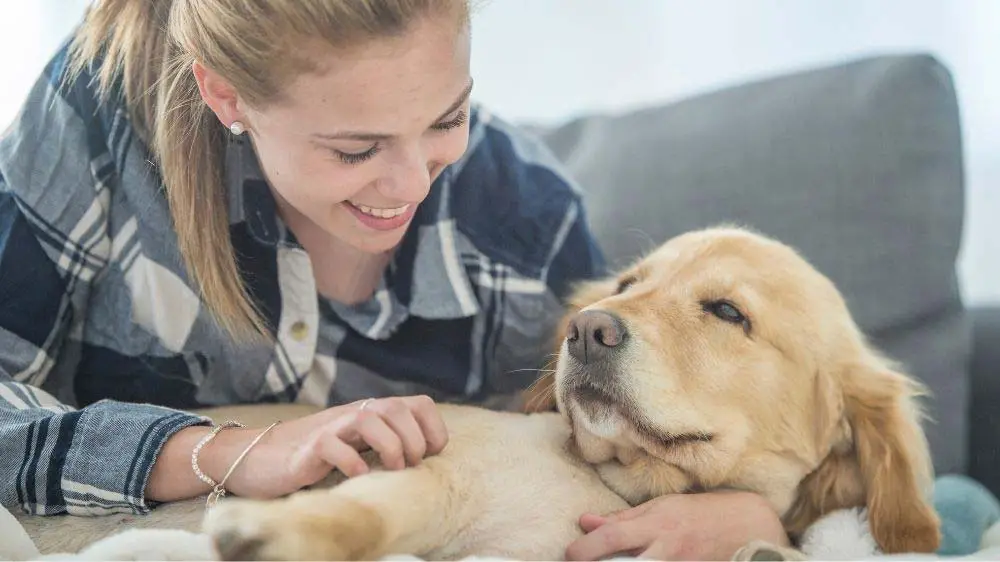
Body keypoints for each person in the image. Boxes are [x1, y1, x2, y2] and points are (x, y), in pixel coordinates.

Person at [0, 0, 788, 558]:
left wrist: (749, 515)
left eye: (449, 119)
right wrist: (227, 452)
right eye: (355, 150)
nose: (412, 184)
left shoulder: (529, 230)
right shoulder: (97, 112)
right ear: (225, 95)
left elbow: (618, 430)